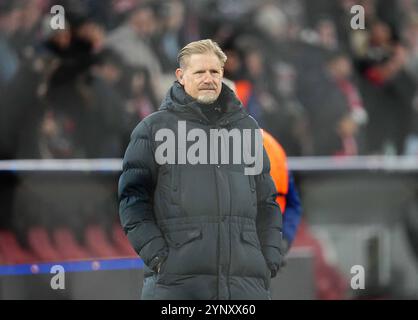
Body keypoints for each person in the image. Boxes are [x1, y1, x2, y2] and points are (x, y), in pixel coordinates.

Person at [118, 39, 283, 300]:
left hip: (245, 287)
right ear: (181, 77)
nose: (209, 78)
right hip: (177, 288)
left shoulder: (247, 129)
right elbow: (133, 200)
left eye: (215, 72)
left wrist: (269, 257)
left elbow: (266, 202)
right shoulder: (153, 130)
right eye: (200, 72)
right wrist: (159, 258)